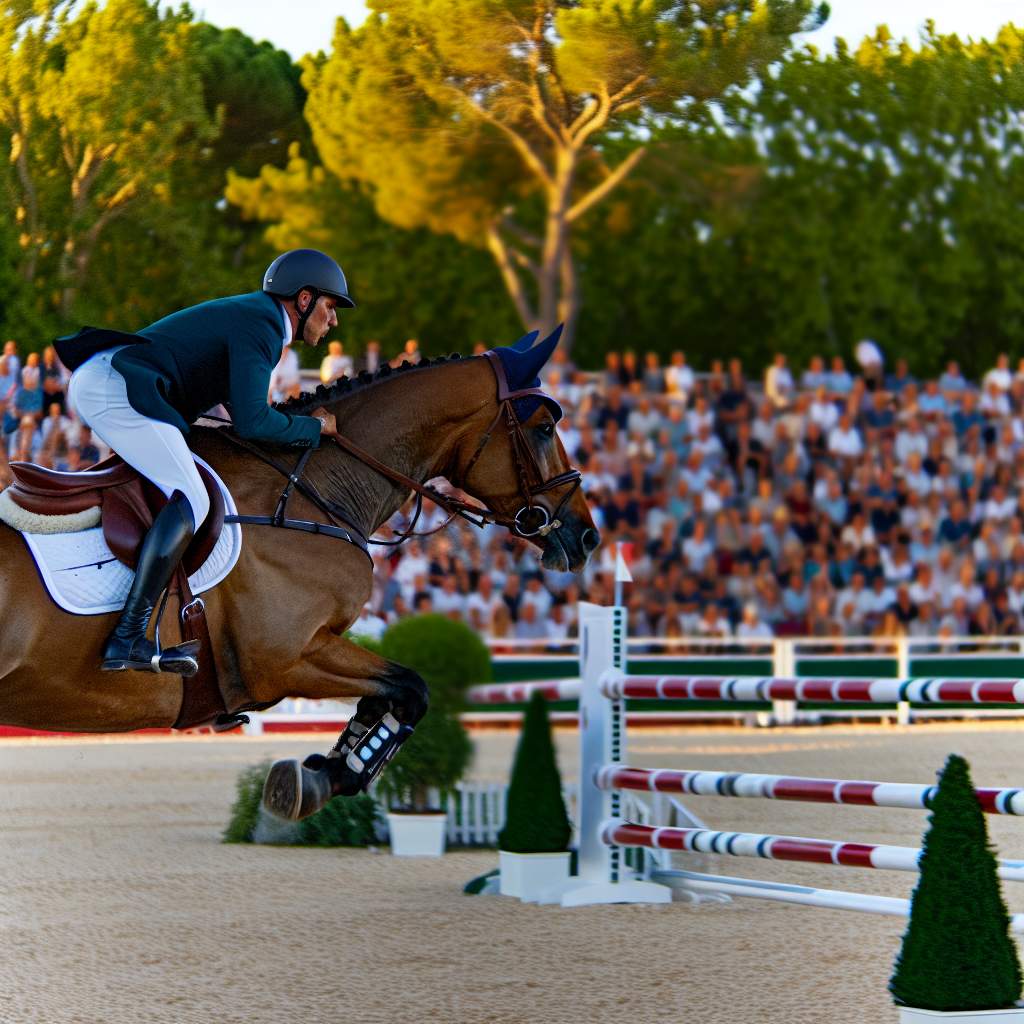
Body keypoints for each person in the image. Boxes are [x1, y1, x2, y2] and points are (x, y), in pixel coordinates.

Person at [57, 248, 354, 676]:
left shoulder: (258, 320)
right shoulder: (264, 325)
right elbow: (254, 422)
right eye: (330, 306)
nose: (335, 320)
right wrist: (314, 430)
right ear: (303, 300)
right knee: (193, 499)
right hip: (115, 387)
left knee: (185, 487)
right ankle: (127, 637)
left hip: (116, 382)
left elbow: (241, 412)